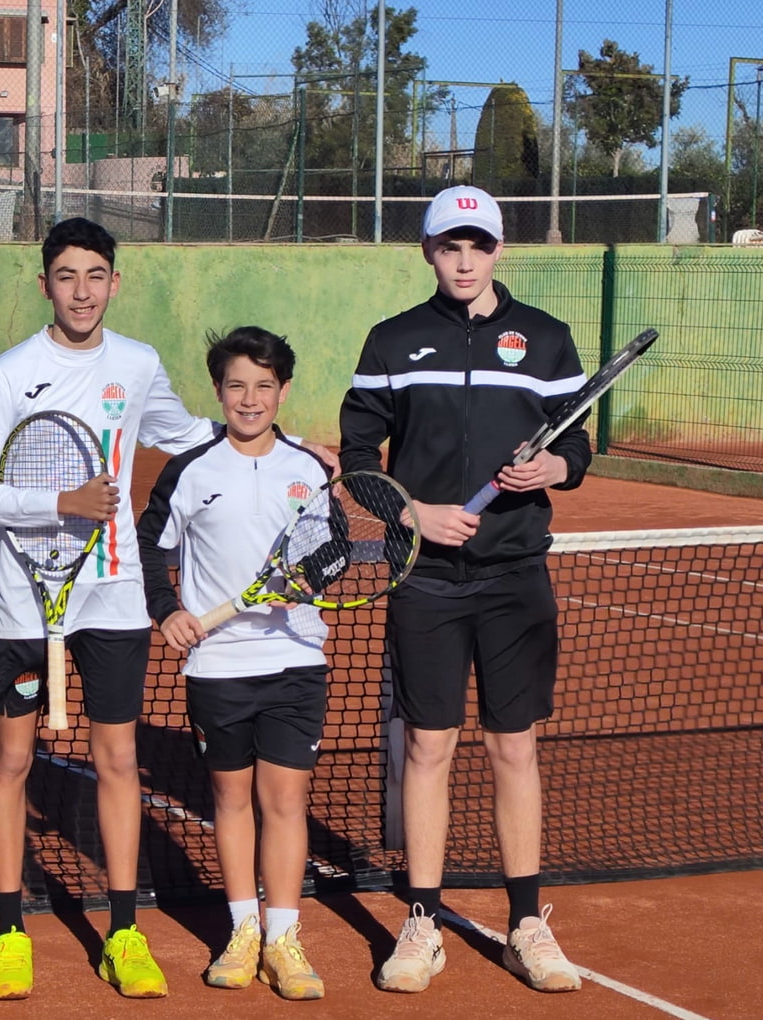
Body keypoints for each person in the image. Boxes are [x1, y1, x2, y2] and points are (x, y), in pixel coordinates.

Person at [0, 218, 338, 1001]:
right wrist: (59, 500)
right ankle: (9, 933)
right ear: (45, 285)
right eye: (66, 276)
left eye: (96, 275)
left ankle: (124, 932)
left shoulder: (135, 366)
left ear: (115, 283)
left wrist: (296, 445)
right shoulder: (8, 374)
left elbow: (200, 433)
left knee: (119, 762)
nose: (82, 291)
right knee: (12, 763)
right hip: (23, 606)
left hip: (116, 600)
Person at [337, 185, 589, 995]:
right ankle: (422, 922)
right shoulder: (391, 341)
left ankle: (527, 923)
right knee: (428, 746)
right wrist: (420, 512)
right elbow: (358, 461)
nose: (465, 259)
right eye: (451, 245)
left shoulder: (546, 340)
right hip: (427, 578)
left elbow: (577, 440)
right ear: (428, 251)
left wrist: (556, 466)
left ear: (499, 251)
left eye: (478, 245)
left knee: (514, 746)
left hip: (517, 574)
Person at [136, 327, 332, 1001]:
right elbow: (145, 546)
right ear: (218, 392)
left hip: (296, 659)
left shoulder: (309, 469)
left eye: (265, 386)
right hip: (217, 666)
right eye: (237, 386)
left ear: (283, 391)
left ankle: (282, 938)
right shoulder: (190, 468)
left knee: (284, 800)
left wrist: (311, 581)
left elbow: (325, 554)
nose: (251, 399)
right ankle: (242, 931)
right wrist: (167, 610)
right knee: (230, 800)